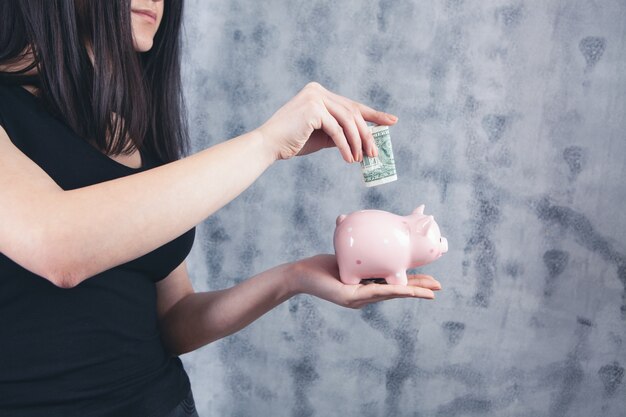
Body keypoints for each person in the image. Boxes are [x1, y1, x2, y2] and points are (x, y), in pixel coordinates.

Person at [0, 1, 442, 416]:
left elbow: (173, 320)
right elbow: (59, 248)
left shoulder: (132, 127)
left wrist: (296, 277)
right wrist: (267, 142)